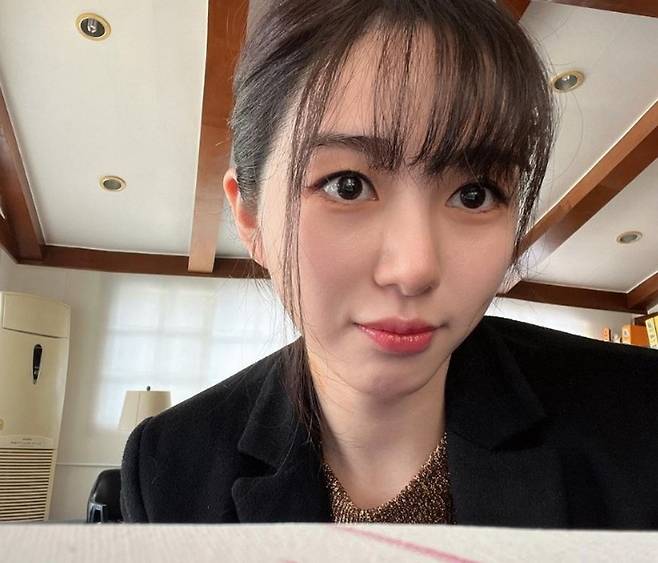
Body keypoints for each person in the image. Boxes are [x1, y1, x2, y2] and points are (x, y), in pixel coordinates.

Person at [120, 0, 658, 527]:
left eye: (474, 195)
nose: (414, 269)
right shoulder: (171, 465)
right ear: (250, 215)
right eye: (347, 186)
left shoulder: (640, 415)